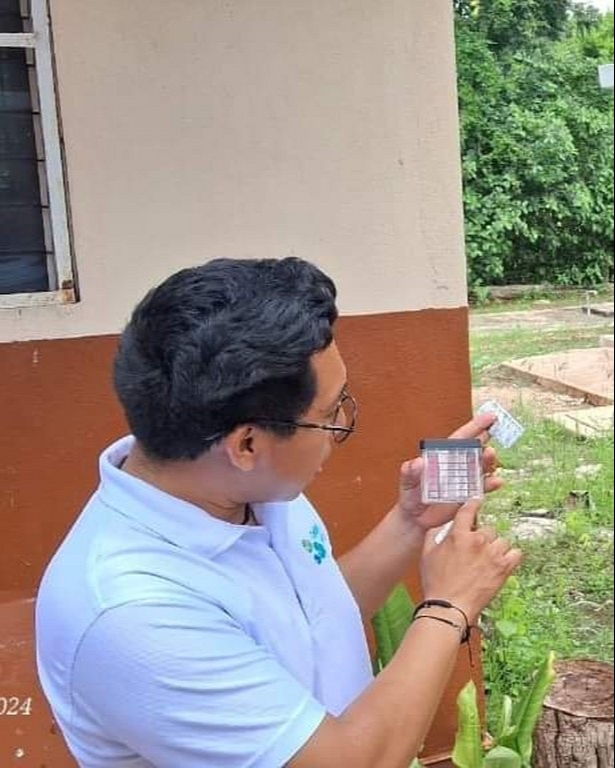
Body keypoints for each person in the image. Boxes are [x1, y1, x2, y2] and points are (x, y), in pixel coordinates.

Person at [36, 257, 522, 768]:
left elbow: (312, 618)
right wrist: (448, 607)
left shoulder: (250, 488)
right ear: (246, 443)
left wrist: (410, 522)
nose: (339, 430)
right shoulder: (135, 614)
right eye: (331, 414)